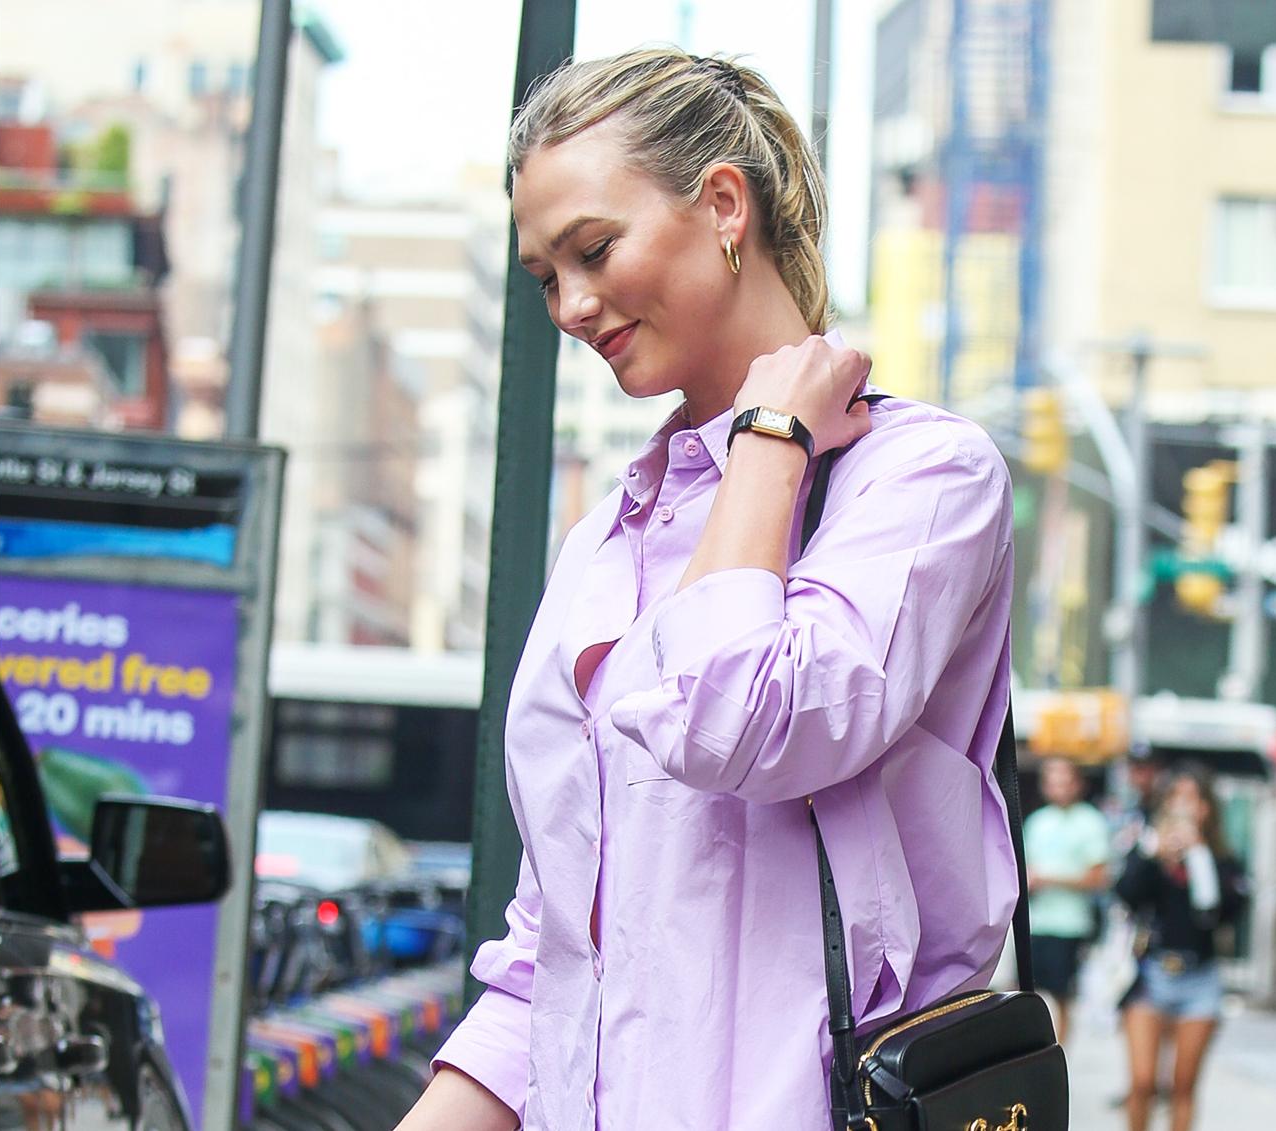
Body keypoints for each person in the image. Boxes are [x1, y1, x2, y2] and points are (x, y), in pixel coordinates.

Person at [396, 49, 1018, 1130]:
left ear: (724, 203)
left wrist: (768, 439)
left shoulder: (924, 479)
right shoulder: (606, 544)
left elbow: (744, 719)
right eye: (545, 276)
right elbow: (556, 952)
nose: (572, 306)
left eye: (594, 250)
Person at [1114, 767, 1248, 1131]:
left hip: (1199, 979)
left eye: (1193, 799)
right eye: (1177, 797)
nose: (1184, 807)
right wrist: (1153, 853)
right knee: (1142, 1082)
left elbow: (1218, 915)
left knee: (1182, 1087)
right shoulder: (1150, 851)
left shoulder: (1221, 861)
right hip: (1150, 976)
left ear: (1207, 809)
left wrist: (1199, 857)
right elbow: (1126, 893)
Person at [1021, 755, 1110, 1043]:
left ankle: (1057, 1054)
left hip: (1070, 924)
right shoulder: (1037, 822)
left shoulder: (1091, 822)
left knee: (1062, 997)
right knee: (1029, 994)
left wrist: (1050, 880)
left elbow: (1099, 878)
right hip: (1036, 923)